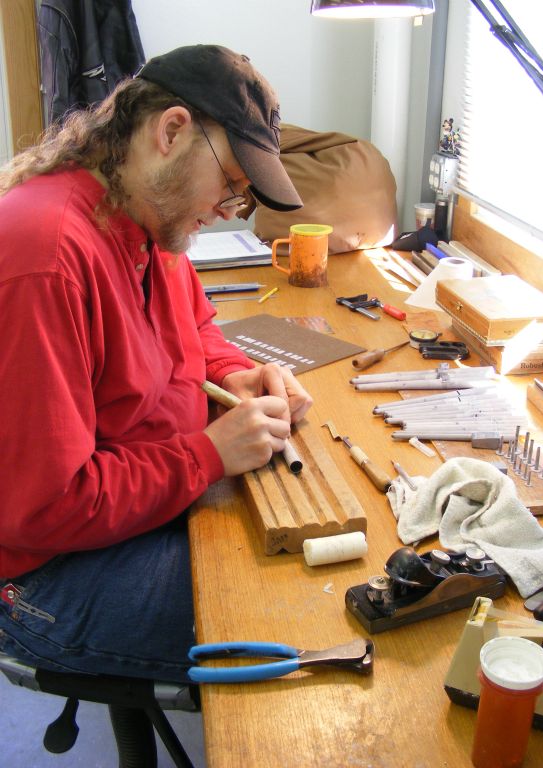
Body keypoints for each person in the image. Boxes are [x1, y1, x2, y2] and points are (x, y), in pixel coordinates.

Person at [0, 45, 312, 683]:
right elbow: (45, 506)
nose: (230, 208)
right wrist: (208, 454)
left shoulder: (151, 221)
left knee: (315, 573)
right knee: (300, 623)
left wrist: (233, 376)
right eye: (231, 183)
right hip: (45, 570)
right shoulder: (46, 255)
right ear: (171, 131)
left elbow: (194, 328)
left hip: (136, 509)